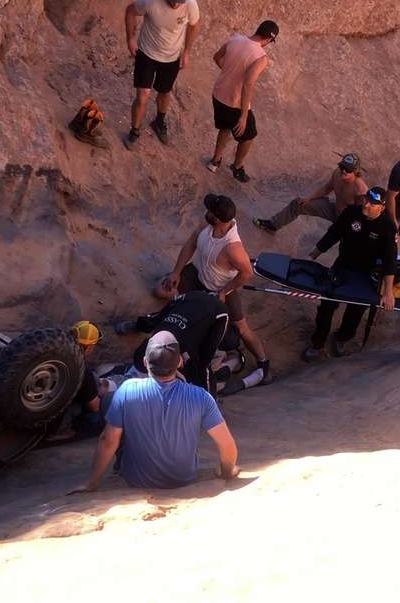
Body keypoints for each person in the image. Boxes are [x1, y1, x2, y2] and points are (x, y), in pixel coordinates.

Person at [70, 331, 239, 492]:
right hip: (184, 478)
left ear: (144, 362)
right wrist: (227, 472)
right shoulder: (201, 396)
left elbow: (108, 440)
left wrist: (91, 483)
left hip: (137, 480)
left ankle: (119, 467)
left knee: (108, 400)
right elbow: (226, 444)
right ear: (179, 362)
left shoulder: (127, 390)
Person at [155, 193, 271, 383]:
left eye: (209, 210)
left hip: (220, 288)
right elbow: (191, 243)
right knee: (160, 290)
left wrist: (224, 291)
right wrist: (176, 271)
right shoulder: (206, 225)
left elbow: (247, 273)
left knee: (242, 328)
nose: (206, 212)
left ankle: (263, 361)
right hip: (197, 274)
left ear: (217, 218)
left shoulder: (233, 248)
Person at [303, 187, 397, 361]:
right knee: (327, 305)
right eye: (366, 200)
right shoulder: (351, 212)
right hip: (343, 266)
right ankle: (317, 343)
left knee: (356, 310)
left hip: (365, 274)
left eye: (372, 203)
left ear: (382, 208)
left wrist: (388, 291)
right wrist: (313, 255)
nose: (366, 205)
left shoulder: (387, 227)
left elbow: (389, 260)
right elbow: (334, 233)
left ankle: (341, 338)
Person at [123, 0, 200, 147]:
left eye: (178, 1)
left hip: (171, 57)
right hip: (147, 54)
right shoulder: (150, 0)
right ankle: (134, 131)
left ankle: (159, 121)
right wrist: (130, 39)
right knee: (142, 95)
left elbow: (194, 25)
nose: (175, 4)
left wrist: (186, 51)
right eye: (172, 0)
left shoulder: (191, 5)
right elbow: (130, 11)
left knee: (165, 92)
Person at [207, 20, 278, 182]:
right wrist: (244, 115)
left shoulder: (235, 39)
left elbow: (217, 57)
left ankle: (215, 161)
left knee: (224, 128)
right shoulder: (261, 57)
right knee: (249, 136)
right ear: (269, 40)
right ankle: (237, 167)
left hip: (218, 95)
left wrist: (228, 73)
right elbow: (248, 84)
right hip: (234, 103)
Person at [254, 152, 368, 233]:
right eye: (342, 166)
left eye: (348, 169)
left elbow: (361, 214)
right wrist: (309, 198)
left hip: (347, 220)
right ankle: (273, 225)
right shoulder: (337, 173)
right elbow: (327, 188)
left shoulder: (360, 190)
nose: (343, 170)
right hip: (333, 209)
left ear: (356, 171)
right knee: (298, 204)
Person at [46, 320, 107, 443]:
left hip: (41, 400)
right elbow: (94, 407)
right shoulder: (82, 371)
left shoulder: (53, 350)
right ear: (89, 347)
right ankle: (59, 431)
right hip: (52, 416)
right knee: (99, 417)